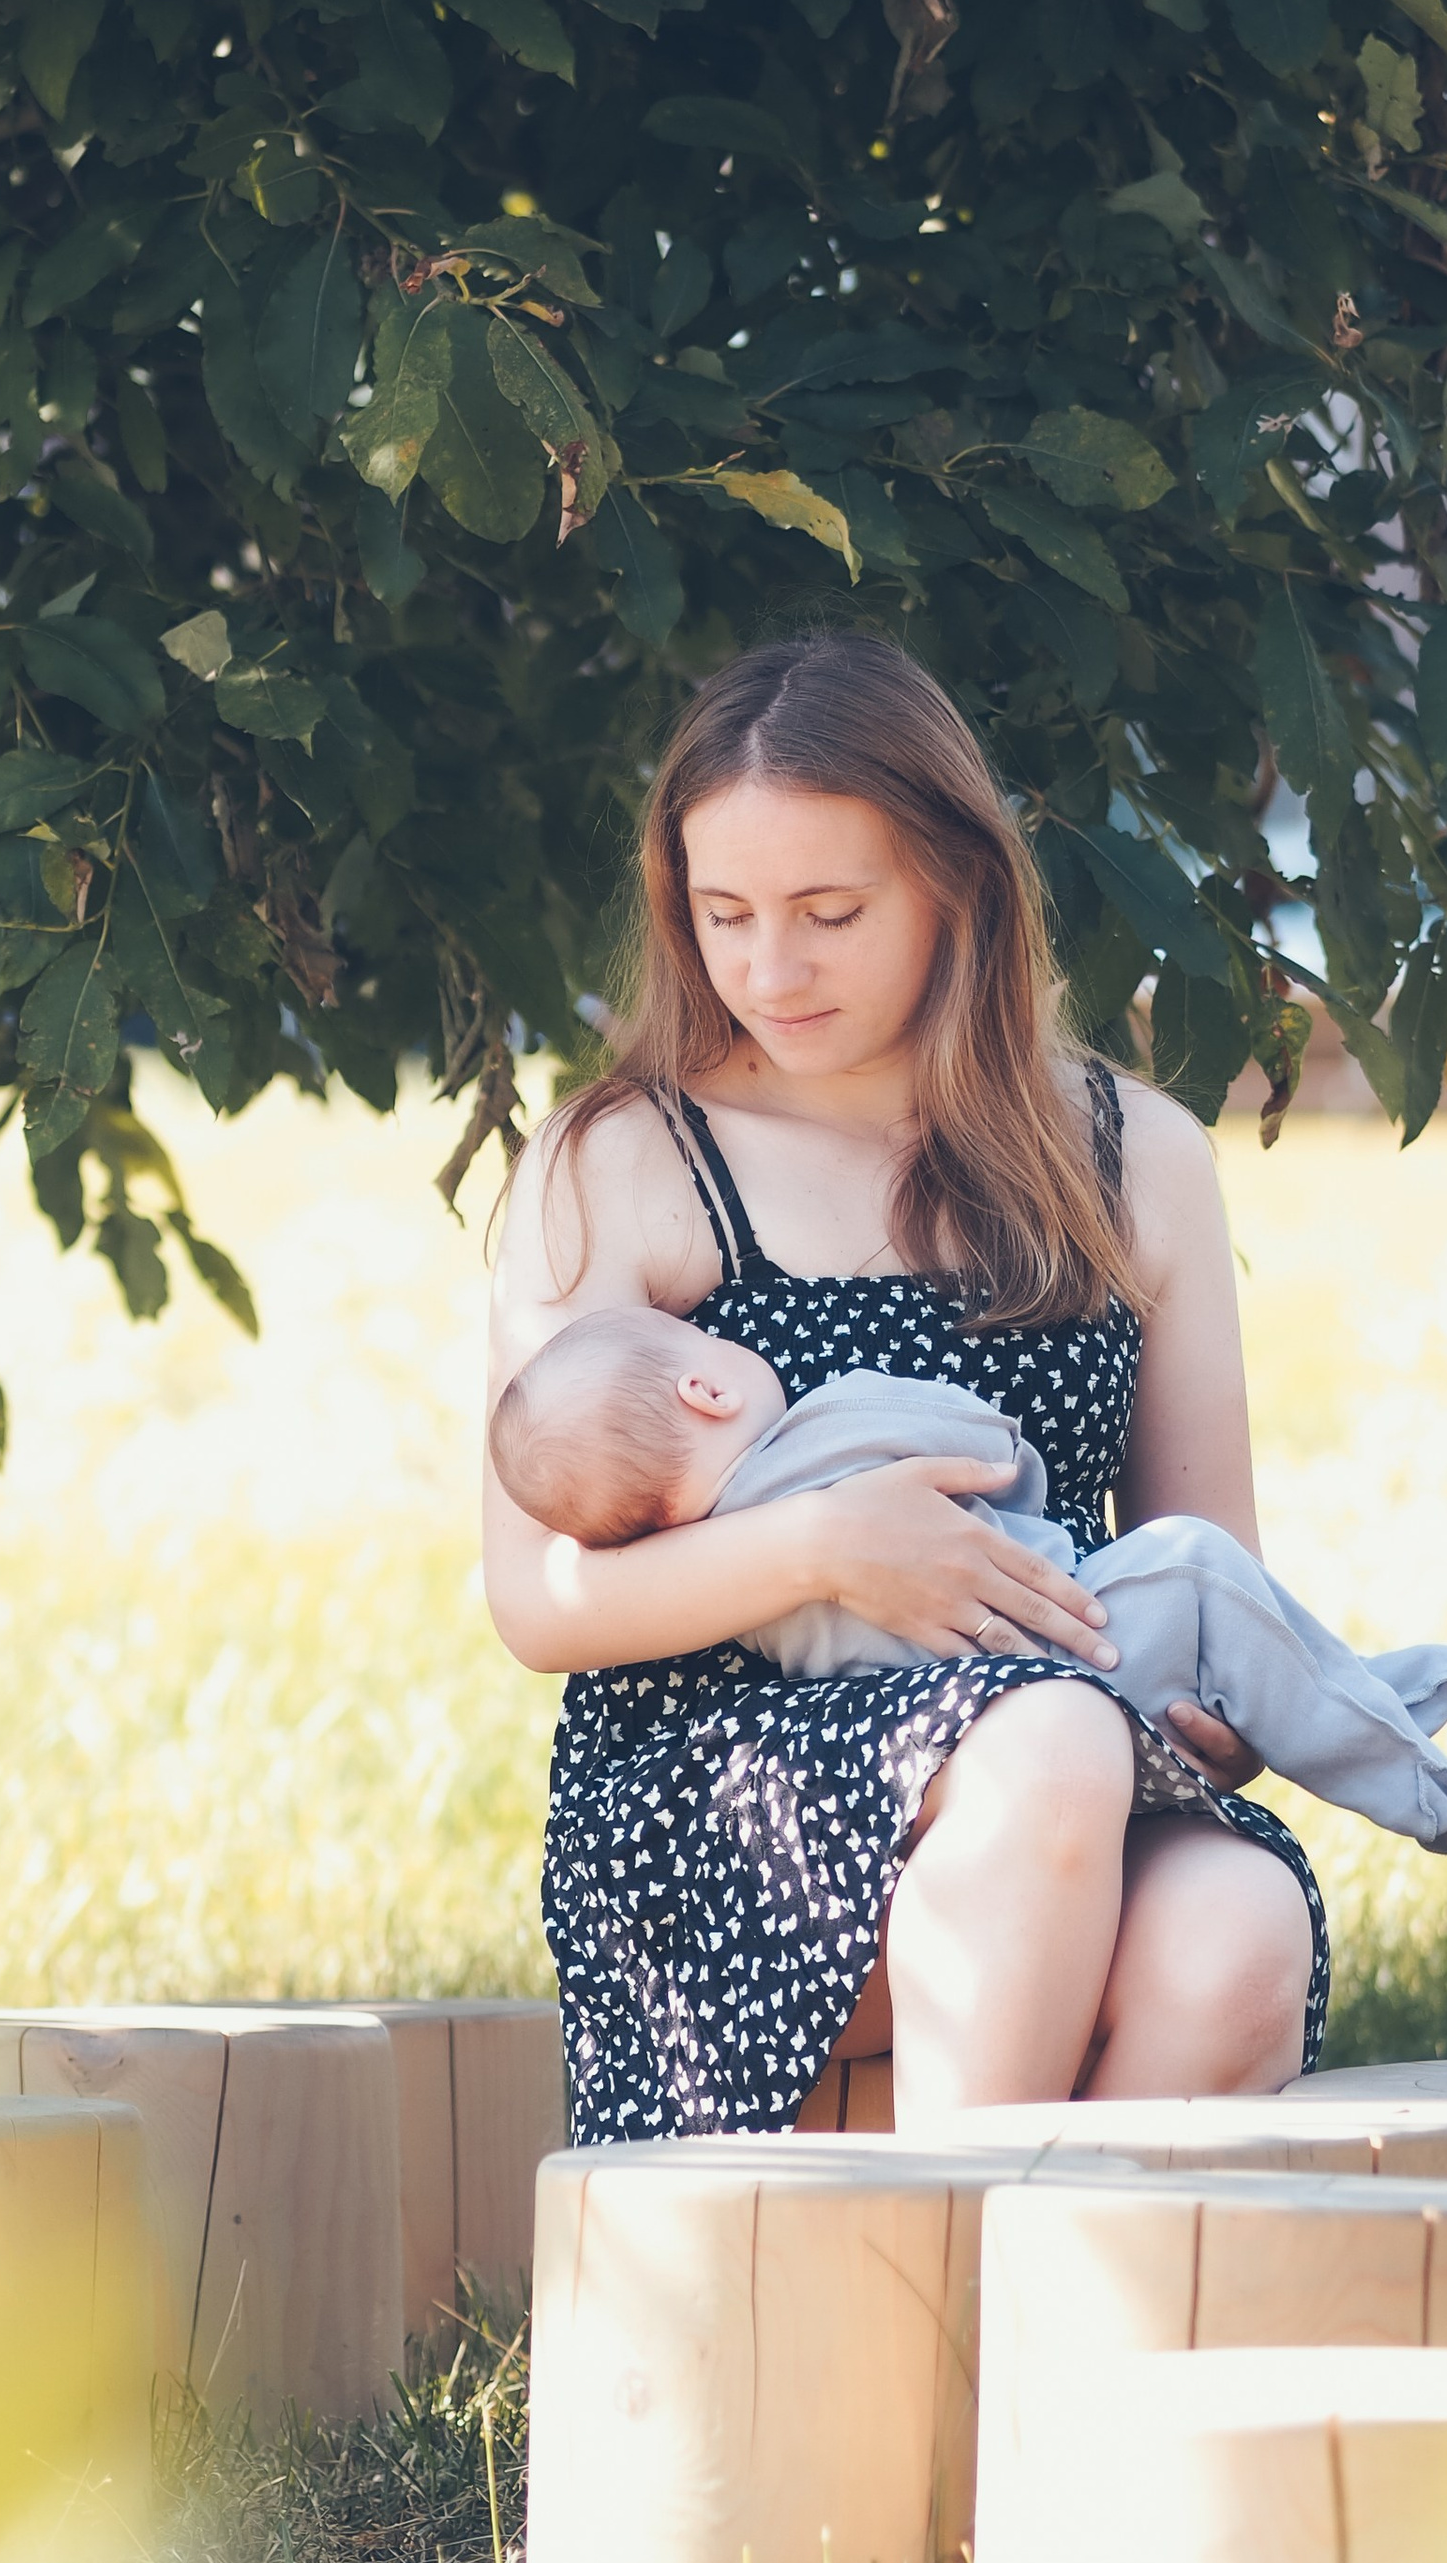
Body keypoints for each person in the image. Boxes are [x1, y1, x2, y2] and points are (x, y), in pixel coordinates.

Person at [481, 622, 1326, 2140]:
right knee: (1048, 1751)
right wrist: (821, 1548)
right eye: (724, 914)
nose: (768, 969)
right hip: (724, 1797)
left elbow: (1211, 1564)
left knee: (1239, 1932)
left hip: (1070, 1745)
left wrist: (1225, 1706)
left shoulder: (1137, 1163)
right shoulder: (625, 1160)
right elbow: (539, 1599)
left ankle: (1045, 2342)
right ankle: (952, 2302)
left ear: (957, 884)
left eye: (828, 910)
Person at [487, 1307, 1447, 1857]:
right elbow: (988, 1447)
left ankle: (1360, 1696)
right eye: (718, 1344)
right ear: (706, 1386)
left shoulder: (736, 1595)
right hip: (1056, 1642)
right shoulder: (818, 1439)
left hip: (953, 1734)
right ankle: (1412, 1776)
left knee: (1232, 1633)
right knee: (1196, 1568)